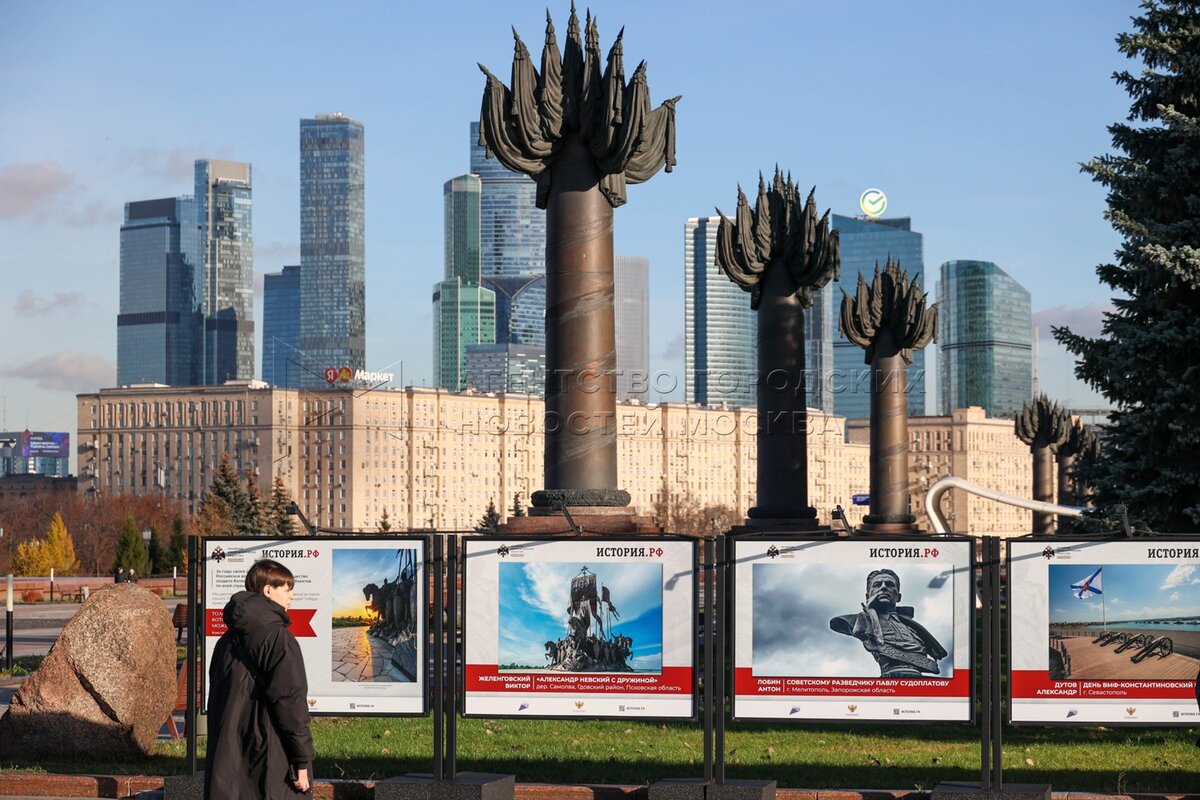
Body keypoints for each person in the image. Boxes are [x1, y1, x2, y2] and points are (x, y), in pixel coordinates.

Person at [205, 559, 314, 798]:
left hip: (228, 756)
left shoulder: (226, 640)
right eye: (286, 589)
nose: (292, 596)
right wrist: (302, 759)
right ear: (268, 590)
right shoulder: (279, 639)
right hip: (271, 755)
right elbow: (290, 701)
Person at [829, 568, 948, 678]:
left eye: (889, 584)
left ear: (899, 597)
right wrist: (872, 614)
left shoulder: (915, 630)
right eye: (877, 585)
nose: (883, 587)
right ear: (867, 596)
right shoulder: (858, 621)